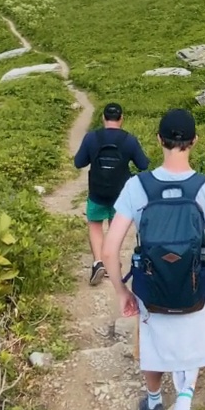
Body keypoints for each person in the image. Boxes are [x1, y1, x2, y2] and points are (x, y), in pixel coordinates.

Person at [103, 108, 205, 410]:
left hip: (152, 287)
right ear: (194, 141)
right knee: (193, 336)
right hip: (195, 288)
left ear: (159, 140)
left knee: (155, 342)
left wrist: (122, 292)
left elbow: (110, 251)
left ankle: (154, 405)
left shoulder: (136, 186)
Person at [74, 102, 149, 285]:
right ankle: (111, 262)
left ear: (103, 118)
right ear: (121, 118)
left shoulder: (91, 138)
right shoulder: (129, 140)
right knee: (115, 228)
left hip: (97, 192)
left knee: (95, 225)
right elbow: (144, 165)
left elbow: (79, 163)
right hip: (120, 194)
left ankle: (98, 262)